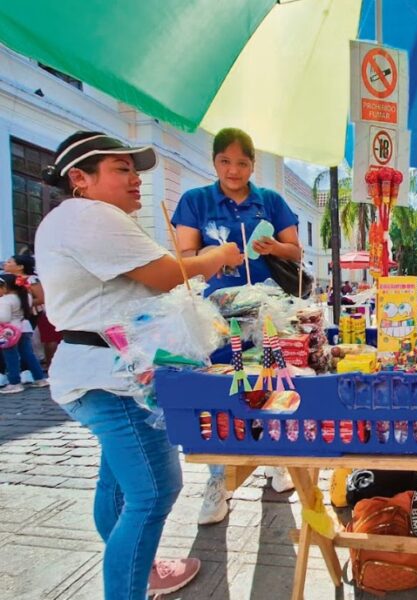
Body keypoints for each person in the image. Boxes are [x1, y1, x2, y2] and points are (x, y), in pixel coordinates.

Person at [36, 131, 244, 599]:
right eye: (121, 169)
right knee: (153, 492)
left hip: (97, 370)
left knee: (117, 485)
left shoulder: (74, 218)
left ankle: (139, 568)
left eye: (134, 170)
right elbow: (166, 274)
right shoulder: (89, 215)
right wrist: (218, 255)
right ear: (80, 178)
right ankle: (129, 583)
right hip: (110, 378)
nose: (135, 179)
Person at [171, 128, 300, 524]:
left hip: (268, 312)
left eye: (242, 162)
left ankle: (276, 458)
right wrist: (214, 256)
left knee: (272, 382)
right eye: (225, 161)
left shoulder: (271, 201)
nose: (233, 170)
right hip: (216, 315)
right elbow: (183, 257)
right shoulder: (195, 200)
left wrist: (273, 248)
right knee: (221, 390)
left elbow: (294, 252)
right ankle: (218, 479)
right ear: (214, 162)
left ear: (252, 165)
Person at [4, 253, 62, 368]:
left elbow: (41, 298)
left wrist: (21, 303)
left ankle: (50, 366)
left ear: (20, 266)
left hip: (39, 314)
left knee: (47, 339)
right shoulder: (9, 279)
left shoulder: (32, 280)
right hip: (21, 314)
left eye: (9, 262)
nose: (6, 264)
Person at [0, 273, 48, 394]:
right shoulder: (27, 296)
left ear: (5, 287)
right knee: (28, 354)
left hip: (9, 332)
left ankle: (14, 382)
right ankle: (40, 378)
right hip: (24, 327)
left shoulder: (5, 300)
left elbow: (4, 318)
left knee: (11, 357)